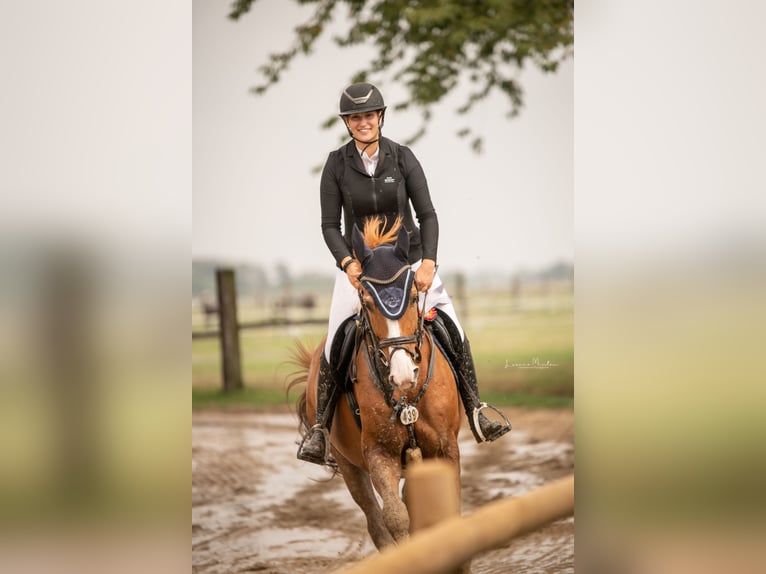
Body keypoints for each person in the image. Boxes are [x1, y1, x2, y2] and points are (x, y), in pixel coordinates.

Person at [297, 82, 511, 465]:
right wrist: (347, 263)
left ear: (380, 116)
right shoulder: (336, 165)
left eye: (369, 115)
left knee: (451, 326)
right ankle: (320, 431)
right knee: (335, 339)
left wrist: (428, 261)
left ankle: (476, 409)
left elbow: (427, 214)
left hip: (409, 265)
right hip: (360, 271)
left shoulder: (403, 157)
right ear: (347, 122)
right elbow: (330, 225)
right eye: (355, 117)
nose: (363, 122)